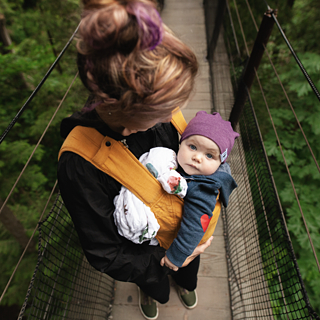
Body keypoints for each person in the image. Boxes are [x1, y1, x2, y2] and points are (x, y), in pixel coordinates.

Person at [57, 0, 215, 319]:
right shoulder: (80, 165)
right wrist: (170, 258)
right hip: (147, 256)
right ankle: (152, 293)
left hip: (186, 228)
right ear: (130, 116)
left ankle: (185, 282)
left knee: (188, 272)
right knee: (154, 284)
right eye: (163, 111)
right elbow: (107, 253)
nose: (174, 115)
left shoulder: (162, 117)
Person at [113, 111, 239, 271]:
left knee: (187, 272)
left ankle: (187, 287)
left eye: (209, 155)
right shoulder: (187, 168)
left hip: (185, 245)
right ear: (181, 142)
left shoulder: (204, 188)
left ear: (220, 163)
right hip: (176, 235)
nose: (197, 157)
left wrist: (177, 256)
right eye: (192, 147)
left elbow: (195, 225)